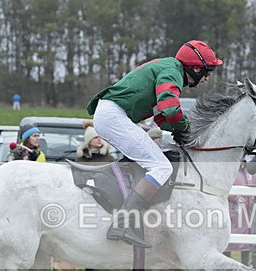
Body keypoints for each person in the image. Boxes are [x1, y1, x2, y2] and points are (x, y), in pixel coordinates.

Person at [86, 39, 223, 248]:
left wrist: (177, 129)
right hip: (113, 116)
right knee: (161, 167)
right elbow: (169, 107)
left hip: (111, 114)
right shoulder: (172, 72)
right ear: (195, 68)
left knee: (154, 161)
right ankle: (122, 223)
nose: (206, 78)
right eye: (207, 71)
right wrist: (185, 127)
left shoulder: (169, 67)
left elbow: (161, 116)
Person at [224, 159, 256, 266]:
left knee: (246, 240)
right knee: (229, 238)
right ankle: (227, 265)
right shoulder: (231, 171)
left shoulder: (250, 173)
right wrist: (236, 197)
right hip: (233, 209)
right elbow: (225, 188)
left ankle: (245, 264)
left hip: (248, 212)